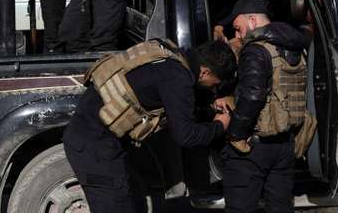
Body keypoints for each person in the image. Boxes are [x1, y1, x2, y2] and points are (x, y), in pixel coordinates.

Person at [64, 40, 235, 213]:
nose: (214, 88)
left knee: (129, 200)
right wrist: (220, 126)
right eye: (215, 83)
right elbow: (186, 135)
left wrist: (210, 107)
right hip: (95, 145)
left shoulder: (169, 55)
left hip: (95, 137)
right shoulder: (178, 77)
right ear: (205, 72)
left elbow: (175, 102)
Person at [221, 0, 312, 213]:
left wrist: (236, 134)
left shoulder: (255, 50)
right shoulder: (296, 47)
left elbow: (252, 96)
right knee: (280, 207)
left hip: (255, 145)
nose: (237, 35)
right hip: (286, 144)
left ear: (252, 21)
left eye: (238, 28)